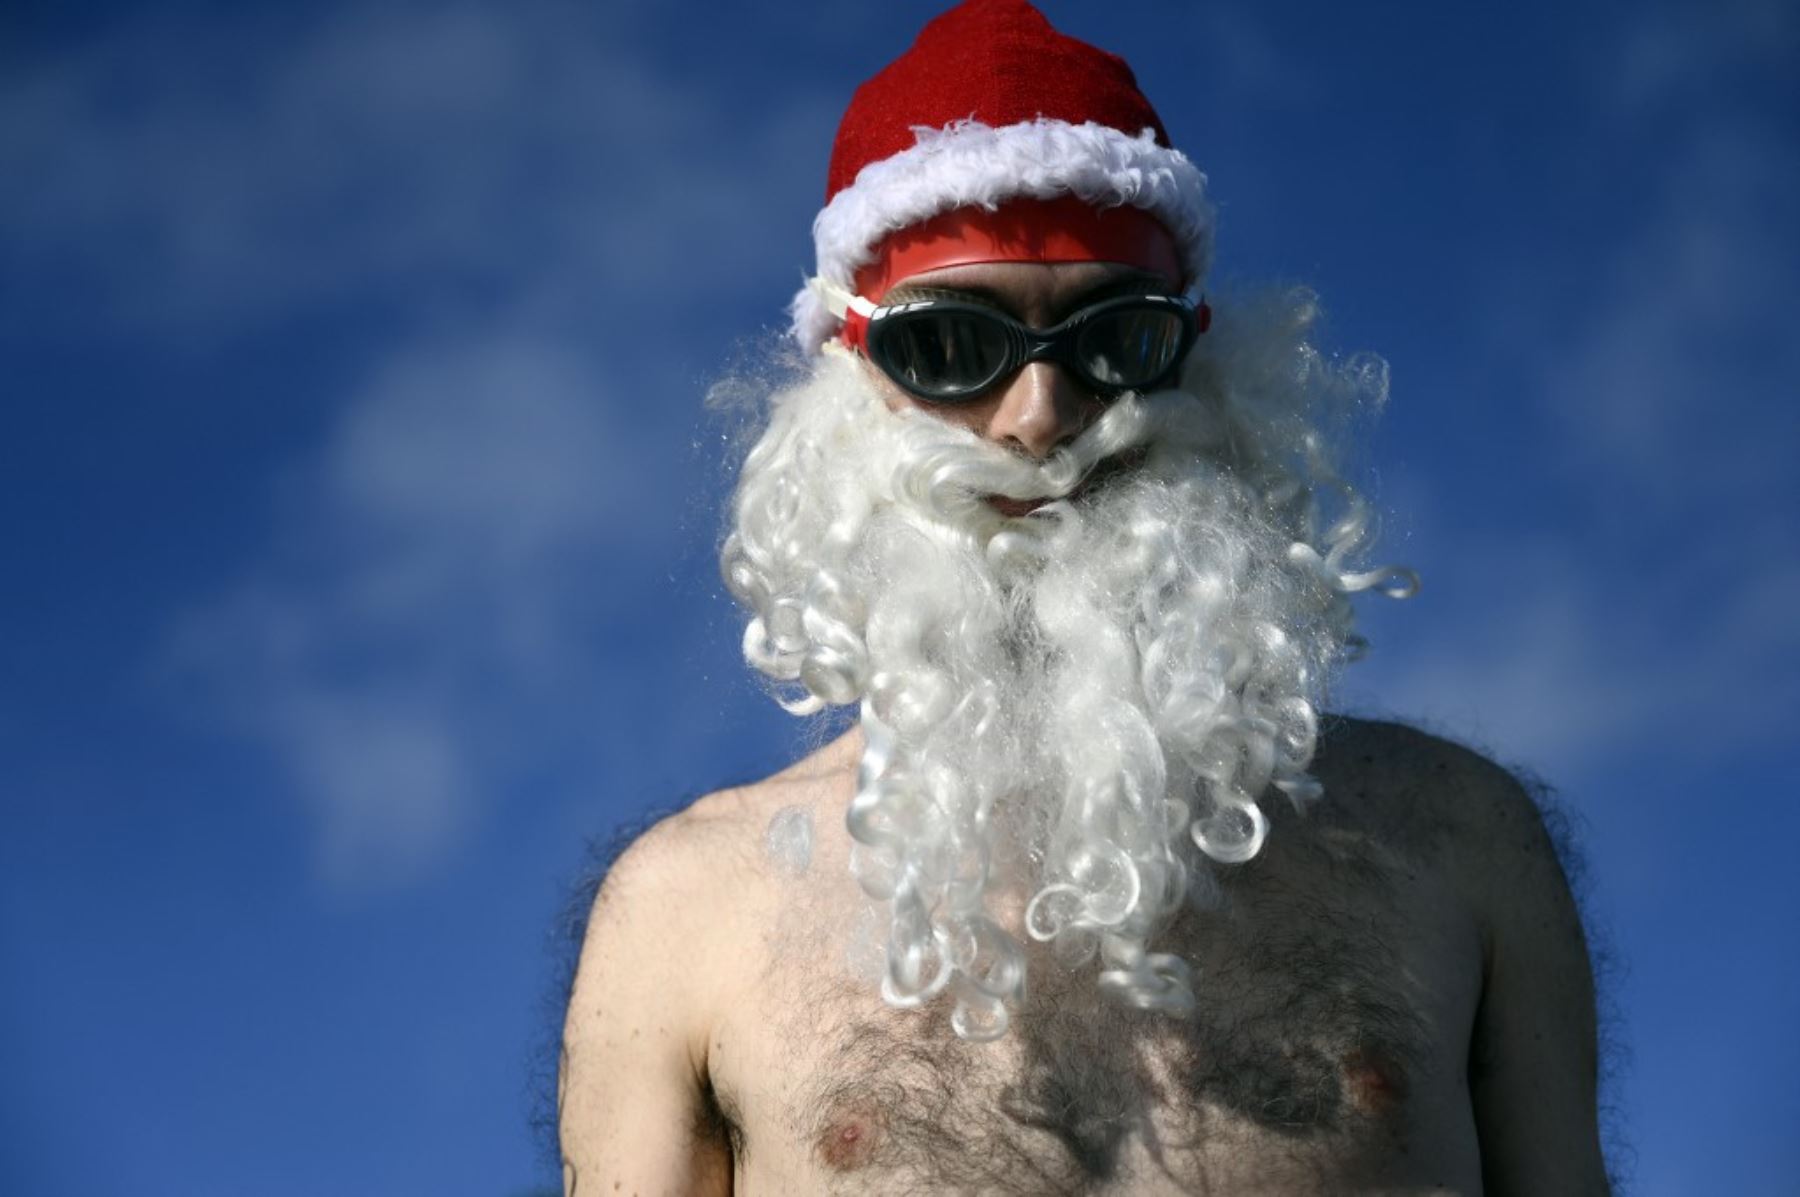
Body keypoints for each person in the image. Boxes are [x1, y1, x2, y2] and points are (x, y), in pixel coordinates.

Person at [557, 1, 1611, 1192]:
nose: (1044, 420)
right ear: (848, 381)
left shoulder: (1458, 845)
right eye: (952, 346)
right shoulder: (688, 907)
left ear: (1200, 361)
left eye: (1116, 342)